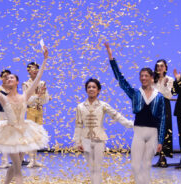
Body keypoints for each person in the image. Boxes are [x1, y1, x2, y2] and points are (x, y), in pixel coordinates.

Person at [0, 47, 49, 184]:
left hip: (24, 132)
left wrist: (44, 60)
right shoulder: (3, 98)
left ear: (17, 82)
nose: (9, 79)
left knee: (17, 164)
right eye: (7, 78)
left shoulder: (25, 96)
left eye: (12, 77)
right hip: (10, 133)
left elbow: (38, 78)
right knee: (18, 169)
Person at [104, 42, 165, 184]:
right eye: (141, 76)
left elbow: (162, 119)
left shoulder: (159, 97)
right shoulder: (136, 94)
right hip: (139, 131)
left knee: (147, 164)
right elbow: (121, 80)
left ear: (151, 78)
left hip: (152, 133)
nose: (143, 78)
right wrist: (111, 58)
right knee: (135, 165)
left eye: (145, 76)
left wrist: (161, 140)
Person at [74, 78, 133, 184]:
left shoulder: (103, 105)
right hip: (85, 140)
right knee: (91, 167)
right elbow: (78, 124)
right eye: (89, 87)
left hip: (99, 139)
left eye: (94, 87)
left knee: (97, 167)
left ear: (98, 90)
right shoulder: (80, 106)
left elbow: (116, 115)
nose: (91, 89)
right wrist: (78, 142)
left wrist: (129, 124)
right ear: (86, 90)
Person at [23, 61, 51, 168]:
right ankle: (31, 159)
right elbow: (27, 100)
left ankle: (35, 160)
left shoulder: (42, 83)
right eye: (32, 68)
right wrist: (37, 96)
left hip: (39, 111)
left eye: (36, 68)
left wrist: (43, 95)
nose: (34, 71)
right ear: (28, 71)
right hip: (30, 111)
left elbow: (46, 100)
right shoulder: (26, 84)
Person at [152, 59, 174, 168]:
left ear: (165, 67)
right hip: (154, 106)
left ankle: (163, 157)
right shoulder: (153, 80)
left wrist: (165, 86)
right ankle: (158, 157)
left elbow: (169, 95)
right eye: (158, 66)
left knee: (165, 129)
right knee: (155, 131)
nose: (159, 68)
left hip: (165, 105)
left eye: (162, 66)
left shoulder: (170, 79)